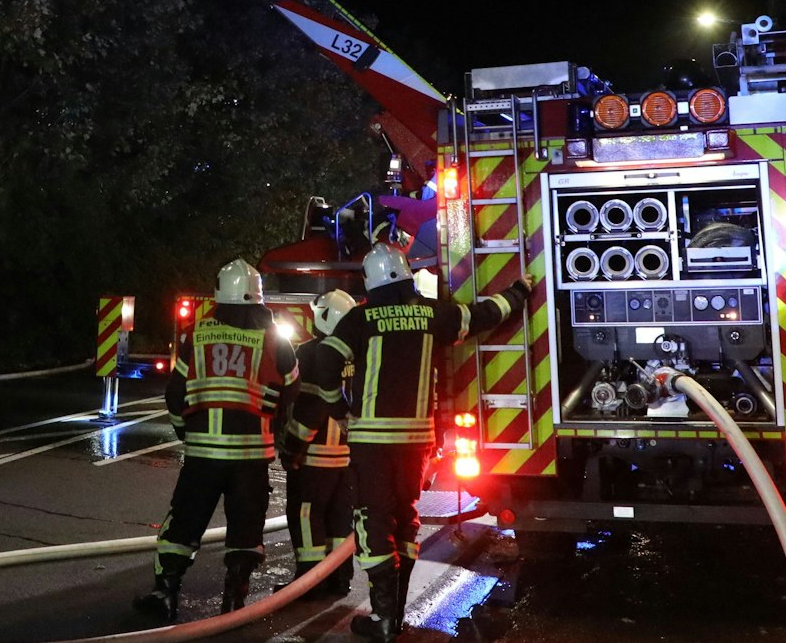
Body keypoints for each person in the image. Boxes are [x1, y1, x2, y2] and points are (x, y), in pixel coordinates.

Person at [321, 243, 531, 642]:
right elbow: (485, 315)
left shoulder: (359, 318)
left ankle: (384, 619)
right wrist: (519, 291)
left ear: (371, 281)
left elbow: (324, 362)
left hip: (372, 442)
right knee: (404, 522)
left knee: (374, 521)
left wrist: (340, 410)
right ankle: (394, 616)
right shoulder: (432, 313)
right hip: (417, 442)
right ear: (404, 275)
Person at [132, 258, 298, 622]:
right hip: (251, 456)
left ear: (219, 295)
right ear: (258, 296)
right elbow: (292, 391)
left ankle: (166, 592)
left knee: (184, 523)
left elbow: (175, 394)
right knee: (245, 527)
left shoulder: (198, 334)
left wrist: (182, 429)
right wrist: (281, 432)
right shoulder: (274, 338)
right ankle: (235, 594)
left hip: (203, 454)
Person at [275, 289, 358, 600]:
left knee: (307, 515)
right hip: (348, 458)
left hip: (314, 458)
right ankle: (339, 578)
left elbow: (311, 409)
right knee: (340, 518)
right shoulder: (357, 352)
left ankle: (309, 583)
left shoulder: (311, 354)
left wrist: (292, 448)